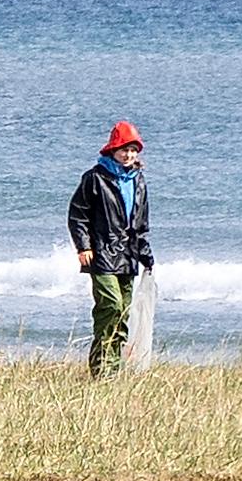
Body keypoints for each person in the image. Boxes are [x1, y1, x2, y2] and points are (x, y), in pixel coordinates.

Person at [67, 120, 154, 376]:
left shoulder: (139, 180)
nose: (128, 155)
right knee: (111, 306)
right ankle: (100, 369)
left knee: (123, 313)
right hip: (102, 255)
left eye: (133, 150)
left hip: (128, 256)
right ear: (112, 150)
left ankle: (112, 371)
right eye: (124, 149)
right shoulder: (95, 178)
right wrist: (83, 246)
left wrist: (145, 254)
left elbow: (141, 222)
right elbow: (77, 214)